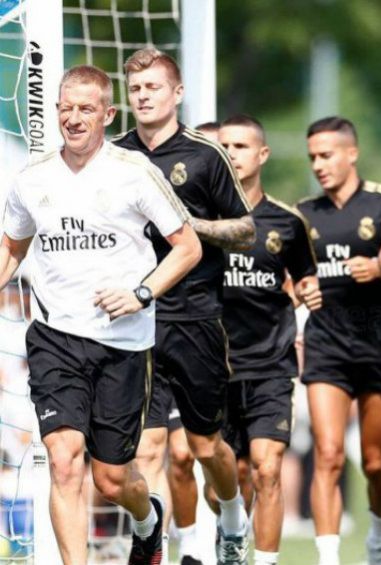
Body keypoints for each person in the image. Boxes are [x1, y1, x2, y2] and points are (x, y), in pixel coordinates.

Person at [0, 64, 201, 565]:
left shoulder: (135, 173)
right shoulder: (31, 180)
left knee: (111, 477)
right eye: (66, 108)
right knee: (64, 462)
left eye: (85, 109)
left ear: (108, 114)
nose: (73, 118)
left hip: (124, 342)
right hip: (54, 338)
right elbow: (11, 249)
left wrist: (141, 293)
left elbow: (187, 247)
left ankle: (148, 520)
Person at [113, 47, 256, 564]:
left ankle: (235, 521)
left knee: (204, 447)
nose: (144, 96)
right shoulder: (116, 157)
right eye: (135, 89)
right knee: (148, 449)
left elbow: (244, 228)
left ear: (176, 94)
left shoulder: (204, 155)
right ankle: (156, 548)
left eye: (153, 87)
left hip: (195, 317)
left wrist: (191, 228)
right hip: (134, 322)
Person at [210, 114, 322, 565]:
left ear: (262, 155)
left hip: (270, 367)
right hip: (212, 366)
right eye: (224, 146)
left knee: (267, 468)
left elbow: (305, 280)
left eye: (240, 146)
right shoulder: (199, 220)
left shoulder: (287, 222)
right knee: (226, 478)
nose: (231, 154)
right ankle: (230, 530)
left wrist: (306, 295)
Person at [297, 116, 381, 565]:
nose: (319, 165)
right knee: (328, 453)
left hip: (378, 346)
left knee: (376, 462)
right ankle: (329, 557)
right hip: (325, 347)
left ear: (351, 153)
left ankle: (379, 536)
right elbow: (288, 277)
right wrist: (299, 289)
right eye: (313, 158)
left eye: (326, 155)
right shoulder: (304, 214)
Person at [167, 119, 220, 565]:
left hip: (245, 356)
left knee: (230, 460)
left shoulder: (273, 221)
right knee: (177, 454)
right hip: (171, 330)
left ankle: (234, 527)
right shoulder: (169, 220)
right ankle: (184, 546)